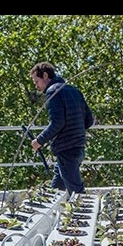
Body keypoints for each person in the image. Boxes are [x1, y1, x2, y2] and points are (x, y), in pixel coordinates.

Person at [30, 62, 94, 196]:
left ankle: (82, 216)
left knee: (77, 193)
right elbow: (89, 121)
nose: (36, 86)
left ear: (45, 76)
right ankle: (53, 215)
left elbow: (57, 123)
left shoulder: (53, 92)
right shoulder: (75, 91)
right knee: (57, 188)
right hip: (78, 147)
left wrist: (39, 141)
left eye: (37, 81)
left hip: (66, 149)